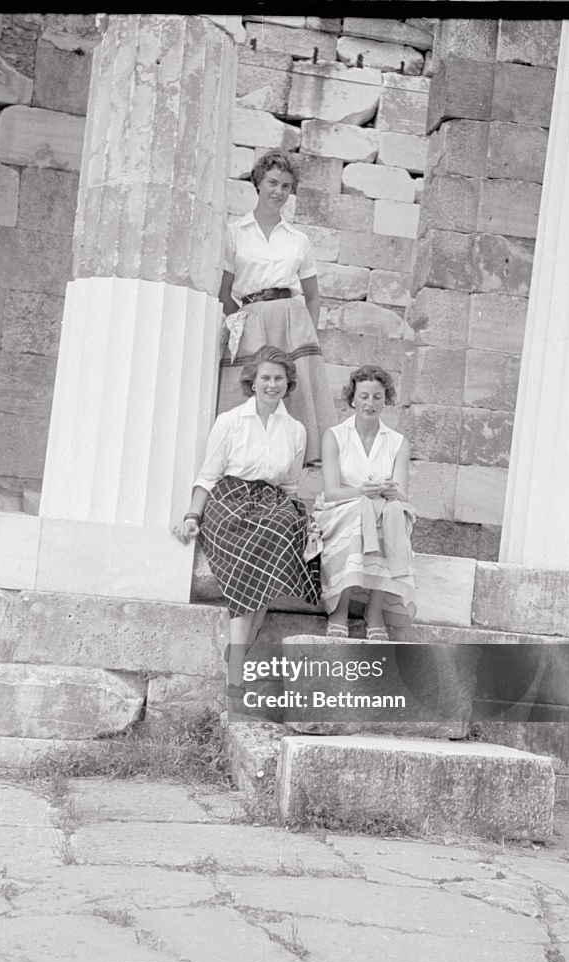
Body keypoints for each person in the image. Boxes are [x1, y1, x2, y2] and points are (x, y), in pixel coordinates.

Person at [175, 346, 320, 693]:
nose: (272, 385)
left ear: (288, 383)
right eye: (265, 378)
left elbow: (289, 486)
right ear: (252, 382)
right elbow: (208, 476)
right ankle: (239, 660)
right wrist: (193, 515)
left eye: (279, 378)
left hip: (272, 500)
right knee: (257, 543)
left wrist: (305, 520)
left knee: (283, 526)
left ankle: (240, 648)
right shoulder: (230, 421)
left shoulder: (296, 430)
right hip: (230, 499)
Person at [217, 149, 337, 465]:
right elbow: (225, 291)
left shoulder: (298, 239)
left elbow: (312, 295)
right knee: (250, 394)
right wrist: (239, 323)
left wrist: (310, 336)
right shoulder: (234, 233)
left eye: (285, 185)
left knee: (292, 395)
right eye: (272, 182)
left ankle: (292, 467)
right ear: (258, 183)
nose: (278, 192)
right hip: (252, 318)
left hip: (291, 320)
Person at [314, 366, 417, 641]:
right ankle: (340, 608)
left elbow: (402, 493)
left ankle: (375, 611)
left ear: (386, 399)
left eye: (377, 397)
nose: (370, 403)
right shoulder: (335, 436)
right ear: (353, 399)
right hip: (340, 508)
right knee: (361, 513)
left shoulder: (397, 442)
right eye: (364, 397)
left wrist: (389, 492)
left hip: (381, 507)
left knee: (393, 513)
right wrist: (362, 492)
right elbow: (331, 491)